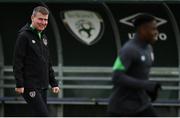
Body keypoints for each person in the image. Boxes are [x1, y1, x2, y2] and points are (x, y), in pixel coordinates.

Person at [107, 13, 161, 117]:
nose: (156, 32)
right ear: (142, 30)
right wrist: (145, 84)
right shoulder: (128, 50)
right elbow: (116, 77)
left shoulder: (149, 48)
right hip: (122, 109)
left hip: (142, 105)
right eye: (153, 29)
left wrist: (148, 90)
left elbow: (139, 75)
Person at [13, 6, 60, 117]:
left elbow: (47, 62)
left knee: (39, 115)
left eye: (46, 19)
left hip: (43, 86)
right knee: (43, 115)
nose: (43, 22)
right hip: (29, 85)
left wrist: (53, 83)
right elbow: (17, 61)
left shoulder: (43, 37)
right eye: (40, 19)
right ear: (32, 18)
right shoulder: (23, 36)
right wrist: (19, 84)